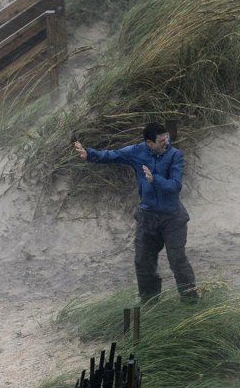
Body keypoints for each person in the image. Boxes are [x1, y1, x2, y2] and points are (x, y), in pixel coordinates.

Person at [74, 122, 197, 302]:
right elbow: (112, 155)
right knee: (143, 262)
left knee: (177, 261)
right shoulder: (137, 152)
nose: (167, 143)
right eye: (162, 141)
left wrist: (155, 179)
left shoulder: (175, 155)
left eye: (167, 139)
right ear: (149, 143)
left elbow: (175, 186)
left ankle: (191, 302)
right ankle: (150, 302)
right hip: (147, 217)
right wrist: (89, 154)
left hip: (172, 218)